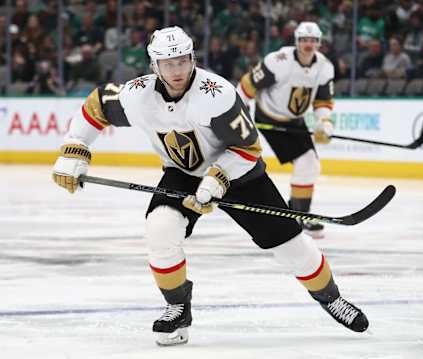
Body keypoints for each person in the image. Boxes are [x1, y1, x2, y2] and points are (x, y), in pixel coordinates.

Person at [52, 26, 368, 346]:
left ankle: (331, 298)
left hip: (241, 174)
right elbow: (96, 106)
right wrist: (75, 147)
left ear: (192, 58)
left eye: (183, 61)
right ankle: (177, 308)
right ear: (154, 66)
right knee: (160, 228)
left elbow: (248, 150)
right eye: (168, 63)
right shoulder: (138, 96)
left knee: (291, 246)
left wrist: (216, 181)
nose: (177, 70)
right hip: (183, 173)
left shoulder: (216, 94)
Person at [237, 22, 335, 239]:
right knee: (306, 162)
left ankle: (299, 212)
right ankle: (301, 214)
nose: (308, 44)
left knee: (310, 164)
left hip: (294, 121)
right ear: (297, 41)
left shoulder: (325, 67)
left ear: (319, 42)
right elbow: (247, 85)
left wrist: (324, 123)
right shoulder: (278, 61)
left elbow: (322, 101)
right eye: (304, 40)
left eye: (312, 40)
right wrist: (239, 113)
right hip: (268, 118)